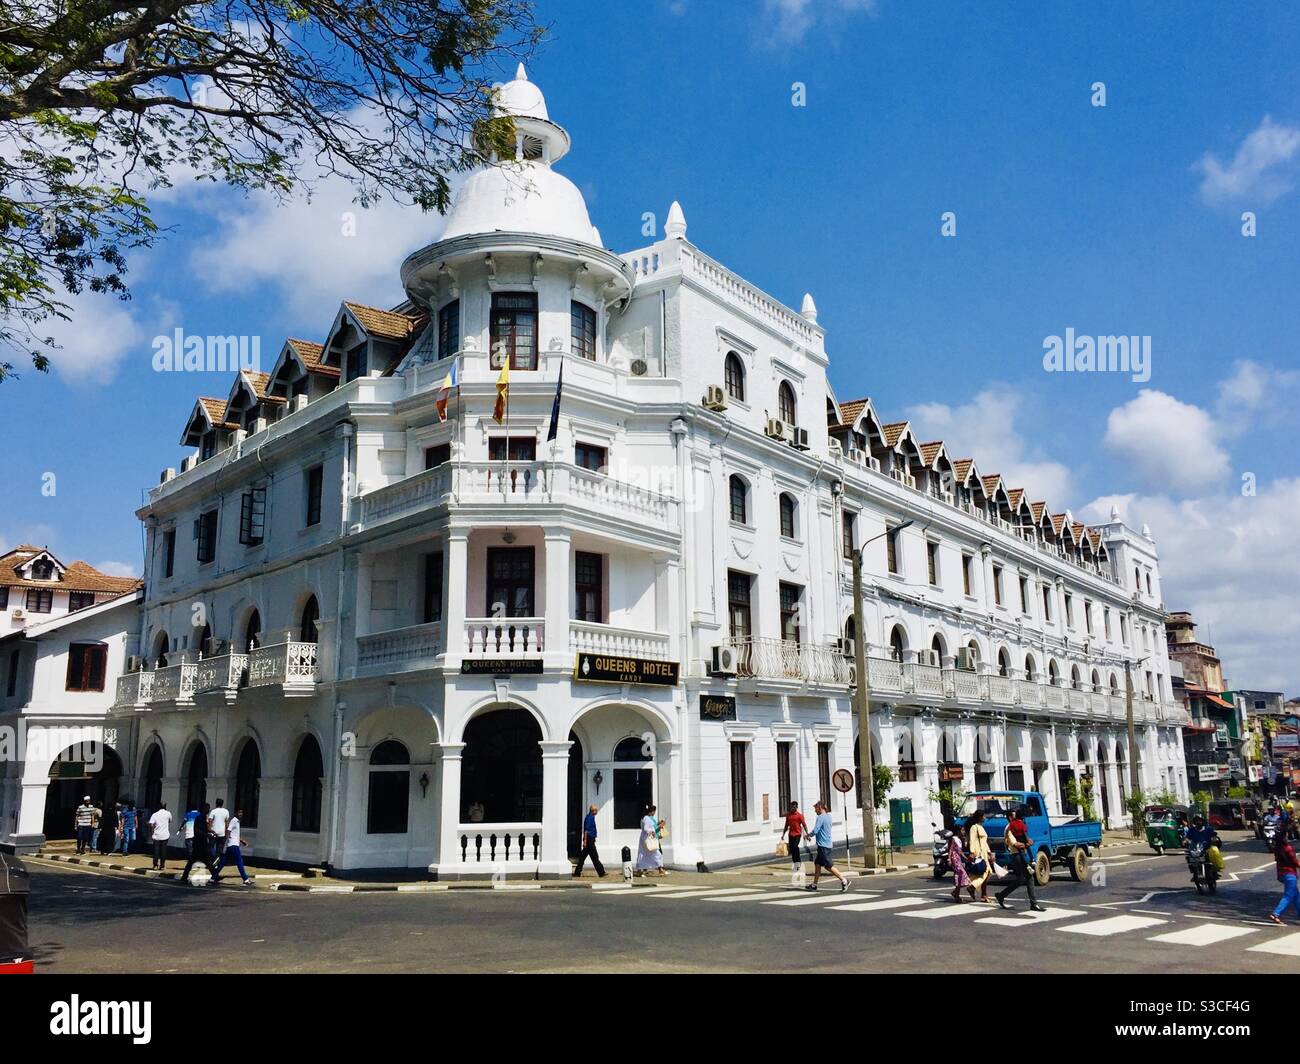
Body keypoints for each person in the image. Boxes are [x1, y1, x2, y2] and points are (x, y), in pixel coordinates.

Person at [995, 806, 1045, 912]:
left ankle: (1001, 895)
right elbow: (1016, 844)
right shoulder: (1009, 828)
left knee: (1021, 879)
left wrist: (1028, 842)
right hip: (1016, 855)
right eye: (1014, 815)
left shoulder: (1017, 825)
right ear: (1009, 817)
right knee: (1029, 877)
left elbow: (1024, 838)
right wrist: (1027, 844)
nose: (1017, 816)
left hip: (1021, 854)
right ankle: (1033, 903)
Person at [806, 800, 849, 893]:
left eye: (815, 809)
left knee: (828, 866)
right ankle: (814, 885)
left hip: (823, 846)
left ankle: (844, 880)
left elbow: (816, 830)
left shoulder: (820, 817)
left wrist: (808, 835)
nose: (815, 811)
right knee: (817, 864)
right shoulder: (828, 816)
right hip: (826, 844)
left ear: (820, 808)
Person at [211, 808, 252, 886]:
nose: (241, 814)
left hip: (232, 845)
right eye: (239, 812)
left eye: (241, 813)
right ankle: (246, 879)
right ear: (235, 813)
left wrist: (242, 841)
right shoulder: (234, 820)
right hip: (233, 845)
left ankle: (213, 878)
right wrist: (225, 841)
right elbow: (228, 831)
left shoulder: (237, 821)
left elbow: (235, 834)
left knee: (223, 862)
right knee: (239, 862)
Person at [179, 802, 218, 883]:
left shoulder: (203, 817)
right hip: (199, 843)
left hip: (201, 843)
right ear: (203, 808)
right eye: (207, 808)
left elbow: (203, 828)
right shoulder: (200, 817)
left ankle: (215, 876)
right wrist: (207, 835)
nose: (208, 810)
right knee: (202, 860)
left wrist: (210, 831)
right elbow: (197, 830)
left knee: (205, 860)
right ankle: (215, 876)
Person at [1270, 834, 1300, 924]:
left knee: (1296, 896)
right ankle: (1276, 913)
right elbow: (1294, 861)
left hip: (1281, 874)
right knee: (1288, 895)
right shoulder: (1288, 848)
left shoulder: (1277, 849)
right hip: (1290, 875)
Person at [966, 810, 995, 903]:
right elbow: (972, 840)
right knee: (986, 872)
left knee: (987, 872)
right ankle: (973, 887)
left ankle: (983, 894)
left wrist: (989, 852)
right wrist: (972, 852)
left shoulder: (981, 827)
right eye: (984, 816)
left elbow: (984, 842)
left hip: (984, 853)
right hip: (978, 853)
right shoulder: (974, 828)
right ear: (979, 817)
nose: (985, 818)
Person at [573, 804, 606, 878]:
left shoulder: (591, 817)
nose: (597, 811)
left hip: (590, 839)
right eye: (596, 810)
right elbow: (586, 830)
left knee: (582, 857)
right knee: (595, 857)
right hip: (589, 840)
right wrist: (585, 841)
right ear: (593, 811)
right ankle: (601, 872)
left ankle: (577, 872)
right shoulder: (590, 818)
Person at [635, 804, 665, 876]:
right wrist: (654, 830)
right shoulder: (647, 818)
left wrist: (655, 827)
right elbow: (647, 828)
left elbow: (649, 827)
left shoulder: (644, 818)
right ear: (651, 812)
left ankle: (640, 870)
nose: (654, 813)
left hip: (644, 838)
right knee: (655, 852)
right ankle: (660, 869)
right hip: (648, 838)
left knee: (642, 853)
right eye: (654, 811)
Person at [781, 801, 809, 871]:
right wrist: (783, 834)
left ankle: (798, 863)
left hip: (797, 834)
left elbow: (804, 825)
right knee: (792, 849)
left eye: (794, 807)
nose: (793, 808)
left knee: (795, 847)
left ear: (797, 807)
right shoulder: (788, 815)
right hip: (791, 834)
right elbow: (786, 825)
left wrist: (807, 833)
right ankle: (795, 864)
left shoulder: (799, 815)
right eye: (792, 807)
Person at [147, 802, 173, 870]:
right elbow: (170, 821)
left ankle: (155, 865)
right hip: (165, 835)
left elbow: (151, 824)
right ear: (165, 806)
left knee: (156, 851)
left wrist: (152, 833)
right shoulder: (168, 813)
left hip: (157, 835)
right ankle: (162, 866)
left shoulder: (155, 814)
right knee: (163, 850)